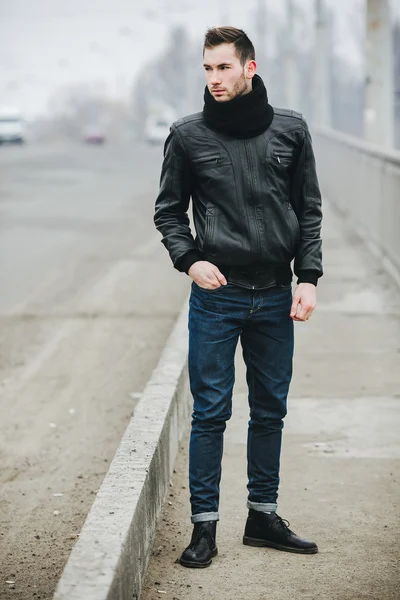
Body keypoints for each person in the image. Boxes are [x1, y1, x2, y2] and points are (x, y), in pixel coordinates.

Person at [154, 26, 323, 568]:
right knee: (211, 413)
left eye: (223, 67)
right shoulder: (187, 136)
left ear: (249, 67)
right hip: (218, 295)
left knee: (270, 410)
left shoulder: (291, 131)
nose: (214, 78)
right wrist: (190, 260)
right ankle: (204, 529)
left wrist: (309, 278)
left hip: (275, 294)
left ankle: (263, 517)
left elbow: (309, 210)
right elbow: (168, 211)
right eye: (207, 69)